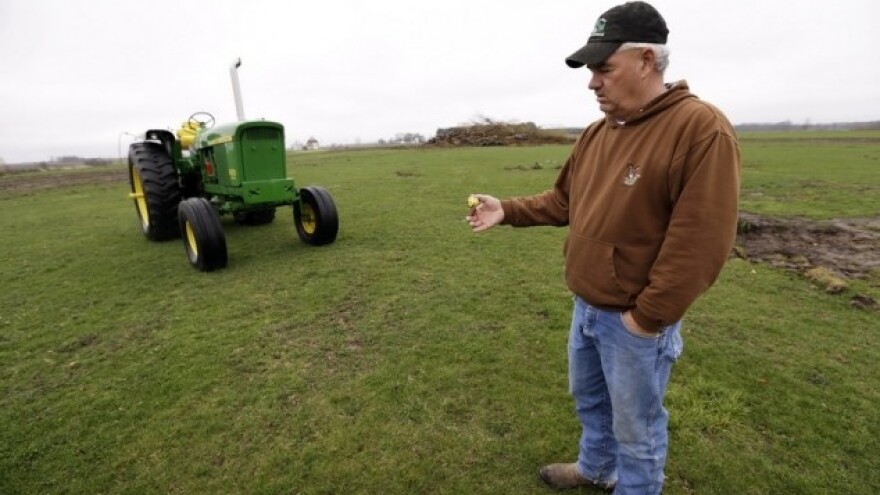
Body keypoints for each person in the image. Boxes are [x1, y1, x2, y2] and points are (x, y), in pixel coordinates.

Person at [466, 1, 741, 493]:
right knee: (590, 402)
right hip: (586, 308)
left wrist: (646, 318)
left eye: (604, 68)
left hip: (636, 321)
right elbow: (562, 201)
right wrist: (505, 209)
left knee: (637, 430)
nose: (593, 81)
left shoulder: (699, 129)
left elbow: (702, 242)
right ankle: (595, 469)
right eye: (592, 69)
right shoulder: (597, 134)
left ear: (646, 61)